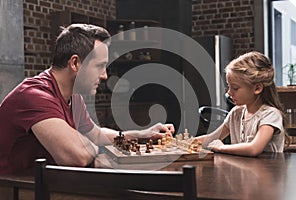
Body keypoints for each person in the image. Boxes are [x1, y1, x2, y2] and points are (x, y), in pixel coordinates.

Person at [0, 24, 174, 174]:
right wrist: (92, 145)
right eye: (99, 66)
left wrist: (141, 135)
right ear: (75, 63)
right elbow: (77, 157)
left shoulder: (73, 98)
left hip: (42, 183)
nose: (105, 75)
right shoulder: (34, 96)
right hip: (13, 189)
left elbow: (96, 134)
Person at [195, 51, 289, 157]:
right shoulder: (236, 112)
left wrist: (221, 147)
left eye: (235, 88)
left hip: (266, 172)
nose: (229, 92)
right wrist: (181, 142)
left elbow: (254, 148)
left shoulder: (270, 115)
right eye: (229, 86)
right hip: (242, 172)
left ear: (257, 88)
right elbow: (212, 138)